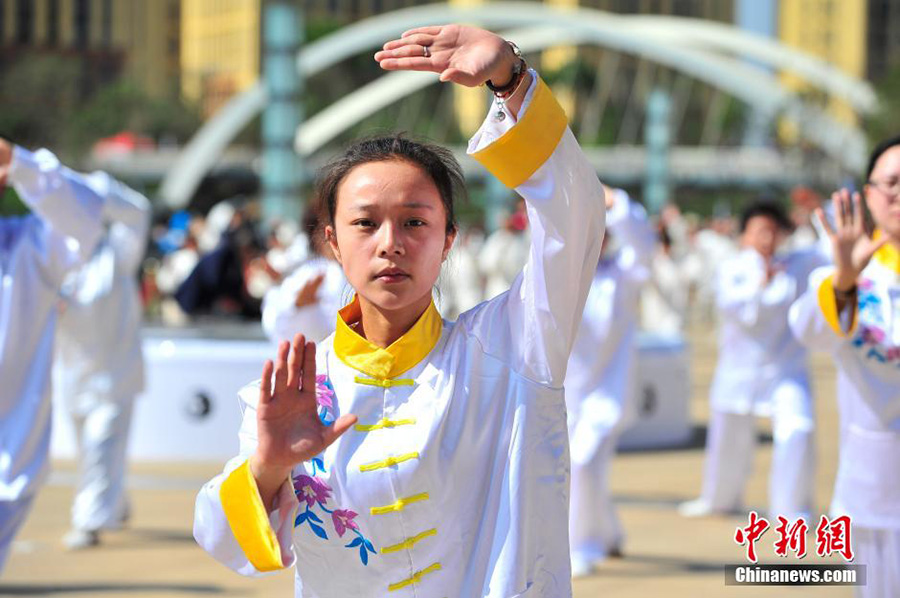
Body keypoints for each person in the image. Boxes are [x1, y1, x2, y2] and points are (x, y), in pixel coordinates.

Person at [193, 25, 606, 597]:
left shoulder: (514, 349)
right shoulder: (294, 396)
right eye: (365, 223)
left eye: (416, 222)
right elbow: (225, 544)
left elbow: (576, 218)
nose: (390, 243)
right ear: (332, 242)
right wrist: (267, 467)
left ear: (449, 239)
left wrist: (510, 81)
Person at [0, 138, 126, 571]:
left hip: (7, 470)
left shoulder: (30, 248)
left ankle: (97, 515)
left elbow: (85, 212)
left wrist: (21, 164)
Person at [789, 136, 900, 598]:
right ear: (869, 195)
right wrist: (846, 282)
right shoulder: (845, 276)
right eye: (891, 182)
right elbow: (809, 332)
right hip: (877, 482)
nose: (899, 193)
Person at [679, 200, 828, 521]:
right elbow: (737, 310)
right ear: (744, 235)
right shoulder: (732, 268)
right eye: (760, 230)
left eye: (774, 231)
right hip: (738, 371)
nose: (767, 238)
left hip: (786, 371)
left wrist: (821, 212)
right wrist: (763, 283)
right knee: (727, 439)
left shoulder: (796, 264)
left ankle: (792, 509)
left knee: (798, 429)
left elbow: (831, 250)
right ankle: (719, 498)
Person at [53, 178, 151, 549]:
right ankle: (117, 503)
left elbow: (137, 210)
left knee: (101, 444)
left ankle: (89, 521)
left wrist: (84, 185)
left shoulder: (117, 253)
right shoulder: (55, 254)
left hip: (115, 374)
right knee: (90, 450)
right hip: (73, 375)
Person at [566, 187, 654, 576]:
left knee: (584, 462)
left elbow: (644, 247)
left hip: (608, 393)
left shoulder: (624, 277)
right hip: (567, 395)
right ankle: (612, 532)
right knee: (588, 470)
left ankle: (583, 545)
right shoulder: (560, 279)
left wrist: (614, 200)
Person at [261, 209, 348, 346]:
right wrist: (298, 305)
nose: (333, 240)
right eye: (326, 233)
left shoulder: (367, 272)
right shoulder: (308, 274)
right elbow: (275, 323)